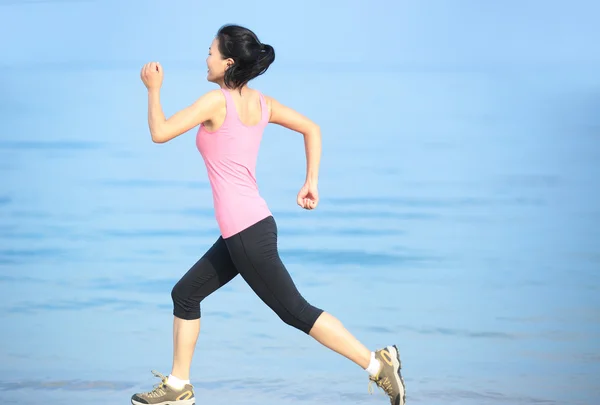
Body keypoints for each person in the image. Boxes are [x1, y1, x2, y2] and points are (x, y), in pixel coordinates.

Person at [134, 24, 405, 405]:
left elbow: (159, 132)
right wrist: (311, 181)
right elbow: (312, 129)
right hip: (248, 228)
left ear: (228, 63)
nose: (206, 59)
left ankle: (377, 365)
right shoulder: (262, 103)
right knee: (185, 294)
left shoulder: (215, 101)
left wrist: (153, 89)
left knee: (295, 311)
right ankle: (179, 387)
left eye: (211, 52)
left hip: (246, 232)